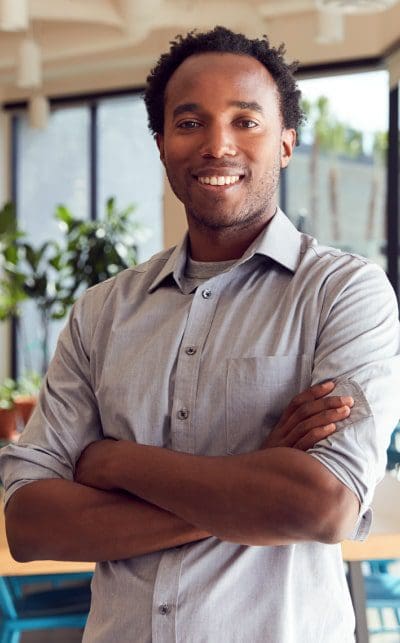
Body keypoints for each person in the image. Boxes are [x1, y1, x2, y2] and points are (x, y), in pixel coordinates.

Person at [1, 26, 399, 643]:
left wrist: (114, 461)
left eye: (246, 121)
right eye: (190, 123)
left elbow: (323, 506)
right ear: (162, 144)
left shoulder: (345, 294)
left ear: (287, 142)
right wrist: (254, 481)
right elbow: (30, 526)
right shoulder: (101, 312)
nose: (218, 145)